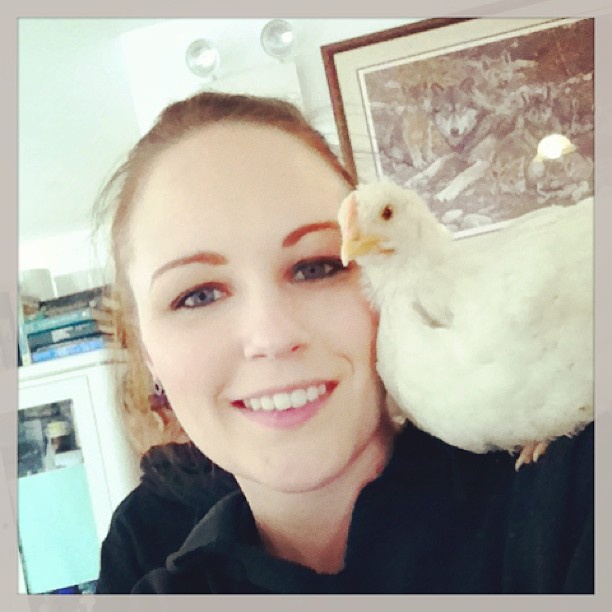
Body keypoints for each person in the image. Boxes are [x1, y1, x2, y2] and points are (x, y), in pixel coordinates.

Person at [93, 91, 593, 594]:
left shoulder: (573, 487)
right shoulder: (142, 567)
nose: (272, 336)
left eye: (316, 268)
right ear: (146, 351)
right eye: (198, 295)